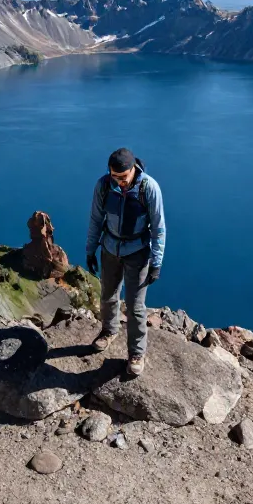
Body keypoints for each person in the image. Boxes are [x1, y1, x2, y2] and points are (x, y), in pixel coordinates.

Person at [85, 147, 166, 376]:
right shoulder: (103, 186)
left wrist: (156, 262)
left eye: (122, 177)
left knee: (136, 306)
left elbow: (158, 228)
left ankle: (136, 353)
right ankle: (109, 331)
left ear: (133, 169)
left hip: (137, 252)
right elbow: (95, 219)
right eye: (114, 176)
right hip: (110, 249)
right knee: (108, 295)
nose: (118, 181)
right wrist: (91, 251)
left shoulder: (148, 188)